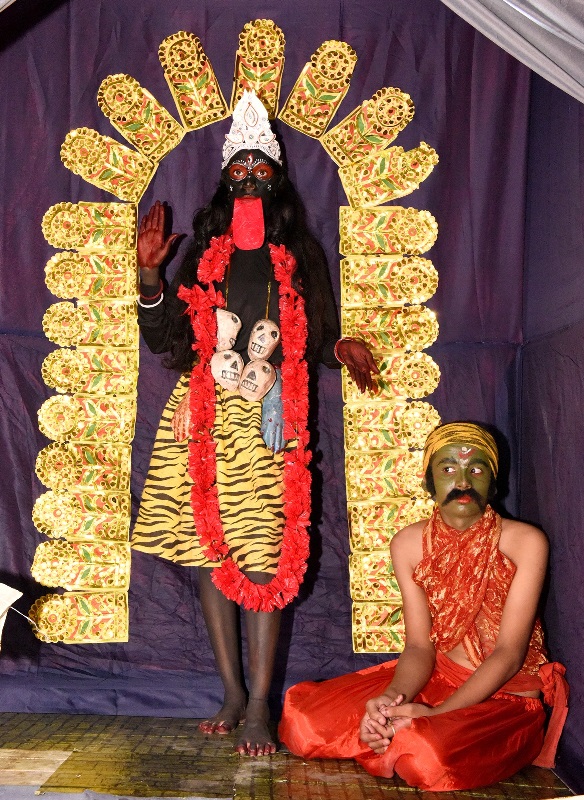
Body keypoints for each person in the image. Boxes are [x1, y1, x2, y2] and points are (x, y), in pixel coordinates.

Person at [132, 91, 378, 757]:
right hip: (204, 412)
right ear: (224, 179)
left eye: (259, 168)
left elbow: (316, 336)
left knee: (262, 559)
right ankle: (233, 691)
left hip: (271, 419)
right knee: (214, 554)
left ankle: (261, 707)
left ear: (278, 181)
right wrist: (150, 278)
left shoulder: (300, 256)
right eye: (237, 167)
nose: (247, 176)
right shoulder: (206, 252)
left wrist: (341, 349)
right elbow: (167, 344)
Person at [279, 422, 569, 790]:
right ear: (428, 481)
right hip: (436, 678)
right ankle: (392, 731)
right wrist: (390, 702)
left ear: (493, 481)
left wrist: (434, 715)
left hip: (505, 698)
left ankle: (407, 735)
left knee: (426, 757)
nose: (462, 481)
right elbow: (419, 646)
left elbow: (509, 654)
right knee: (304, 722)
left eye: (476, 469)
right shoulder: (408, 544)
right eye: (447, 469)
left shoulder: (524, 542)